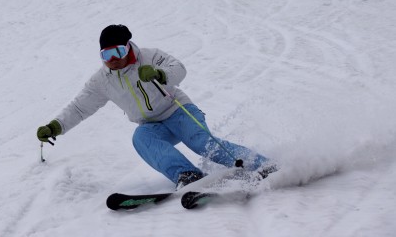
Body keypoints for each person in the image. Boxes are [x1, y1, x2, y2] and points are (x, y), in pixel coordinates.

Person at [37, 25, 276, 189]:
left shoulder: (150, 57)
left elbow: (179, 68)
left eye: (118, 51)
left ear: (128, 46)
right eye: (107, 53)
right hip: (151, 125)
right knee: (141, 139)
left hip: (178, 111)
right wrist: (55, 126)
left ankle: (263, 165)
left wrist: (161, 74)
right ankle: (187, 175)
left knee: (201, 142)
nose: (113, 58)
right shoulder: (102, 80)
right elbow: (80, 107)